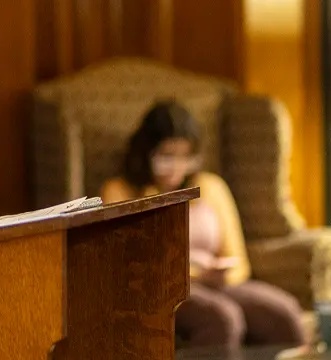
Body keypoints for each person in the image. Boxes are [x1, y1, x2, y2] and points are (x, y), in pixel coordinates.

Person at [100, 101, 306, 349]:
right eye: (166, 156)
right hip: (160, 290)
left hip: (218, 284)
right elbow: (124, 266)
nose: (176, 166)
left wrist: (218, 274)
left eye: (185, 156)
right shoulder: (119, 191)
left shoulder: (211, 187)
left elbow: (239, 263)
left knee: (284, 313)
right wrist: (190, 274)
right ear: (145, 153)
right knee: (223, 318)